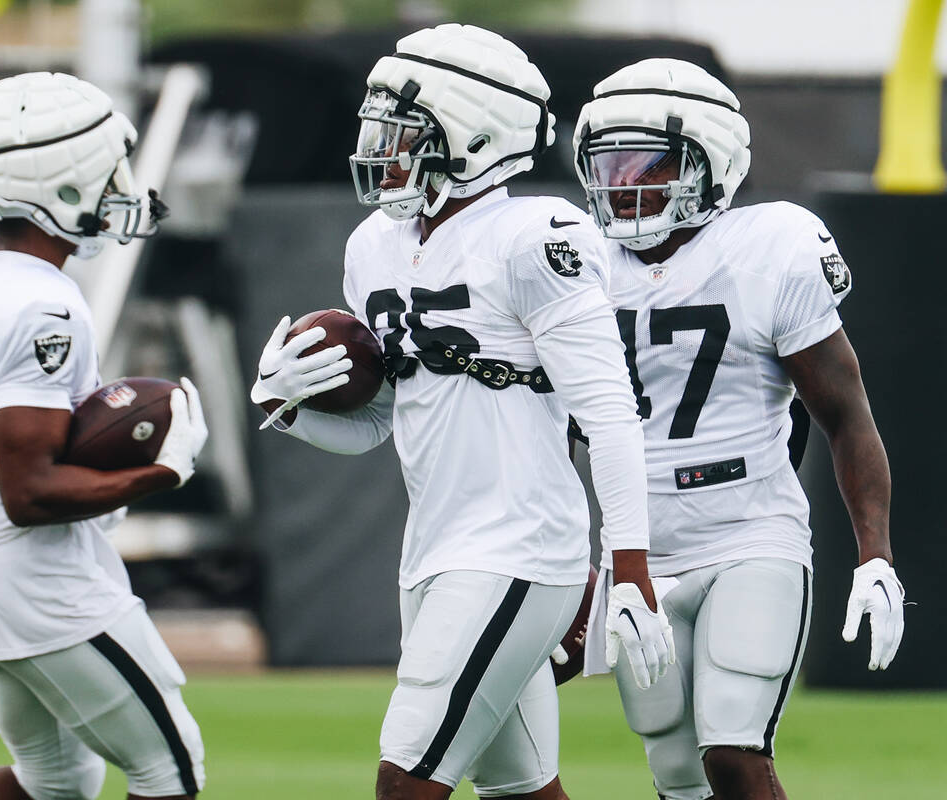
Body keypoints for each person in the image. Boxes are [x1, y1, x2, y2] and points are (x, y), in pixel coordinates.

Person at [251, 24, 674, 800]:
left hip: (519, 550)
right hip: (434, 550)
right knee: (522, 789)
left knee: (405, 779)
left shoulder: (534, 235)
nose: (383, 148)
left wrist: (631, 569)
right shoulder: (371, 246)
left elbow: (610, 413)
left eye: (404, 132)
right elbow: (381, 421)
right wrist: (287, 405)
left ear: (475, 137)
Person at [571, 58, 906, 800]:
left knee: (734, 750)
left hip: (748, 531)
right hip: (640, 547)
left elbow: (847, 417)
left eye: (645, 163)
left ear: (712, 161)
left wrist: (875, 556)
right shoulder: (581, 264)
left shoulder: (770, 248)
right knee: (673, 768)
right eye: (608, 163)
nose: (623, 183)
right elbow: (562, 427)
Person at [0, 72, 209, 800]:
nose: (119, 187)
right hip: (39, 581)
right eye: (104, 171)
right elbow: (30, 494)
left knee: (56, 783)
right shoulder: (43, 305)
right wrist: (160, 471)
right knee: (170, 769)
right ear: (56, 185)